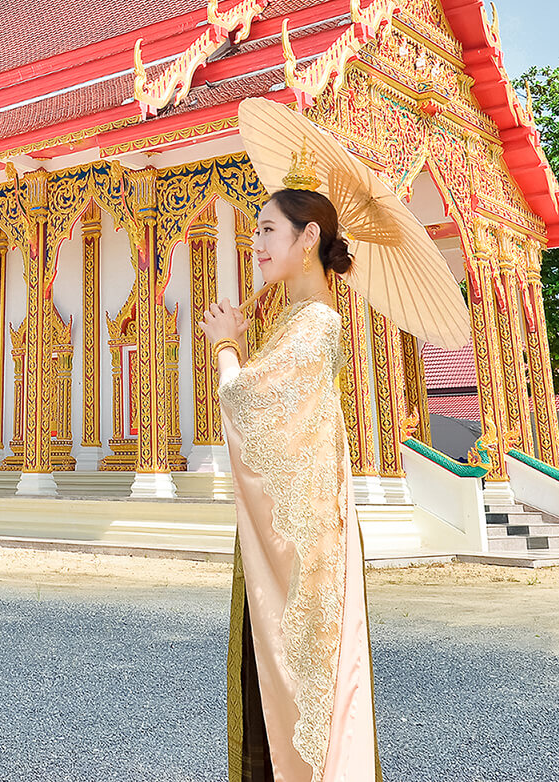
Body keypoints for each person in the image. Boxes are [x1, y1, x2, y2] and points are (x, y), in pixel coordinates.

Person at [201, 180, 374, 781]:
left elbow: (247, 403)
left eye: (268, 230)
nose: (256, 243)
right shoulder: (297, 321)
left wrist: (226, 345)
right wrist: (244, 343)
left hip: (304, 544)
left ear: (309, 238)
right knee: (273, 677)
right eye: (253, 232)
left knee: (293, 680)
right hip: (297, 531)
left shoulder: (316, 324)